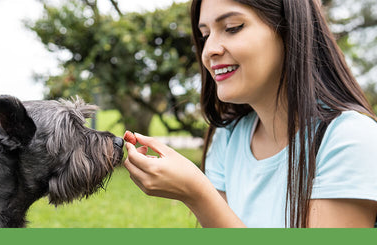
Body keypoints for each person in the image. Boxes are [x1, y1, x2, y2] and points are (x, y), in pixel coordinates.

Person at [124, 0, 377, 228]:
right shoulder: (228, 139)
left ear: (289, 29)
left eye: (232, 27)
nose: (209, 50)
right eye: (204, 35)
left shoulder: (351, 140)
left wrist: (197, 194)